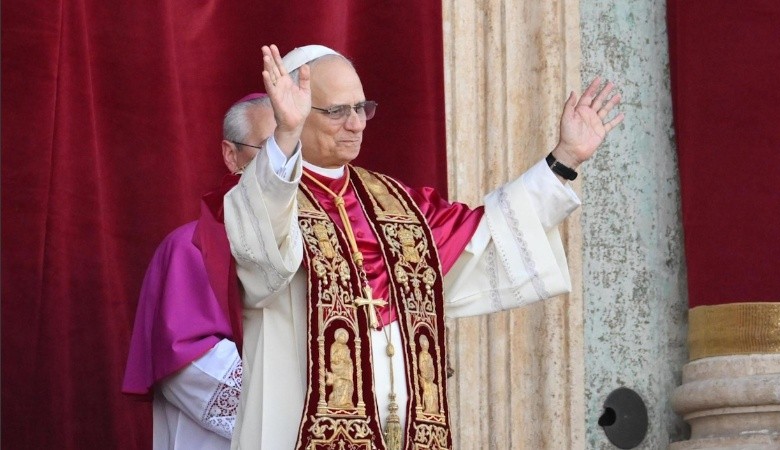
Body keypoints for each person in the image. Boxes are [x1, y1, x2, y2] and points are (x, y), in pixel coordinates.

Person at [224, 44, 624, 450]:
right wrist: (286, 135)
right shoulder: (268, 195)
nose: (356, 123)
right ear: (296, 110)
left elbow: (487, 235)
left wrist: (565, 159)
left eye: (361, 108)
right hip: (298, 429)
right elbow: (261, 259)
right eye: (337, 111)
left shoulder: (398, 203)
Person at [122, 93, 276, 450]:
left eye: (295, 150)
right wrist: (294, 410)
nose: (285, 164)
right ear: (230, 154)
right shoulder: (190, 247)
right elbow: (188, 364)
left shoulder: (327, 243)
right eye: (271, 148)